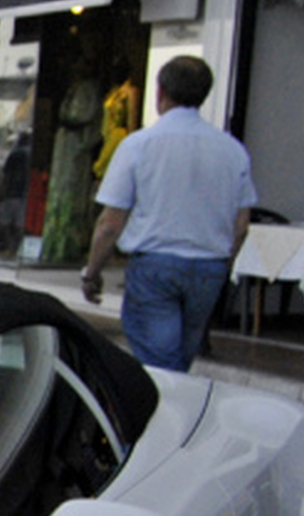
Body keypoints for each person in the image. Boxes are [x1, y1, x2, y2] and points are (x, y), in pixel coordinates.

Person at [78, 55, 257, 372]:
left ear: (159, 92)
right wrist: (222, 266)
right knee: (180, 360)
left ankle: (164, 417)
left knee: (159, 365)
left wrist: (92, 272)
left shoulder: (139, 145)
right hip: (209, 266)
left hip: (155, 266)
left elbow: (110, 223)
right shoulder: (232, 150)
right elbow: (241, 226)